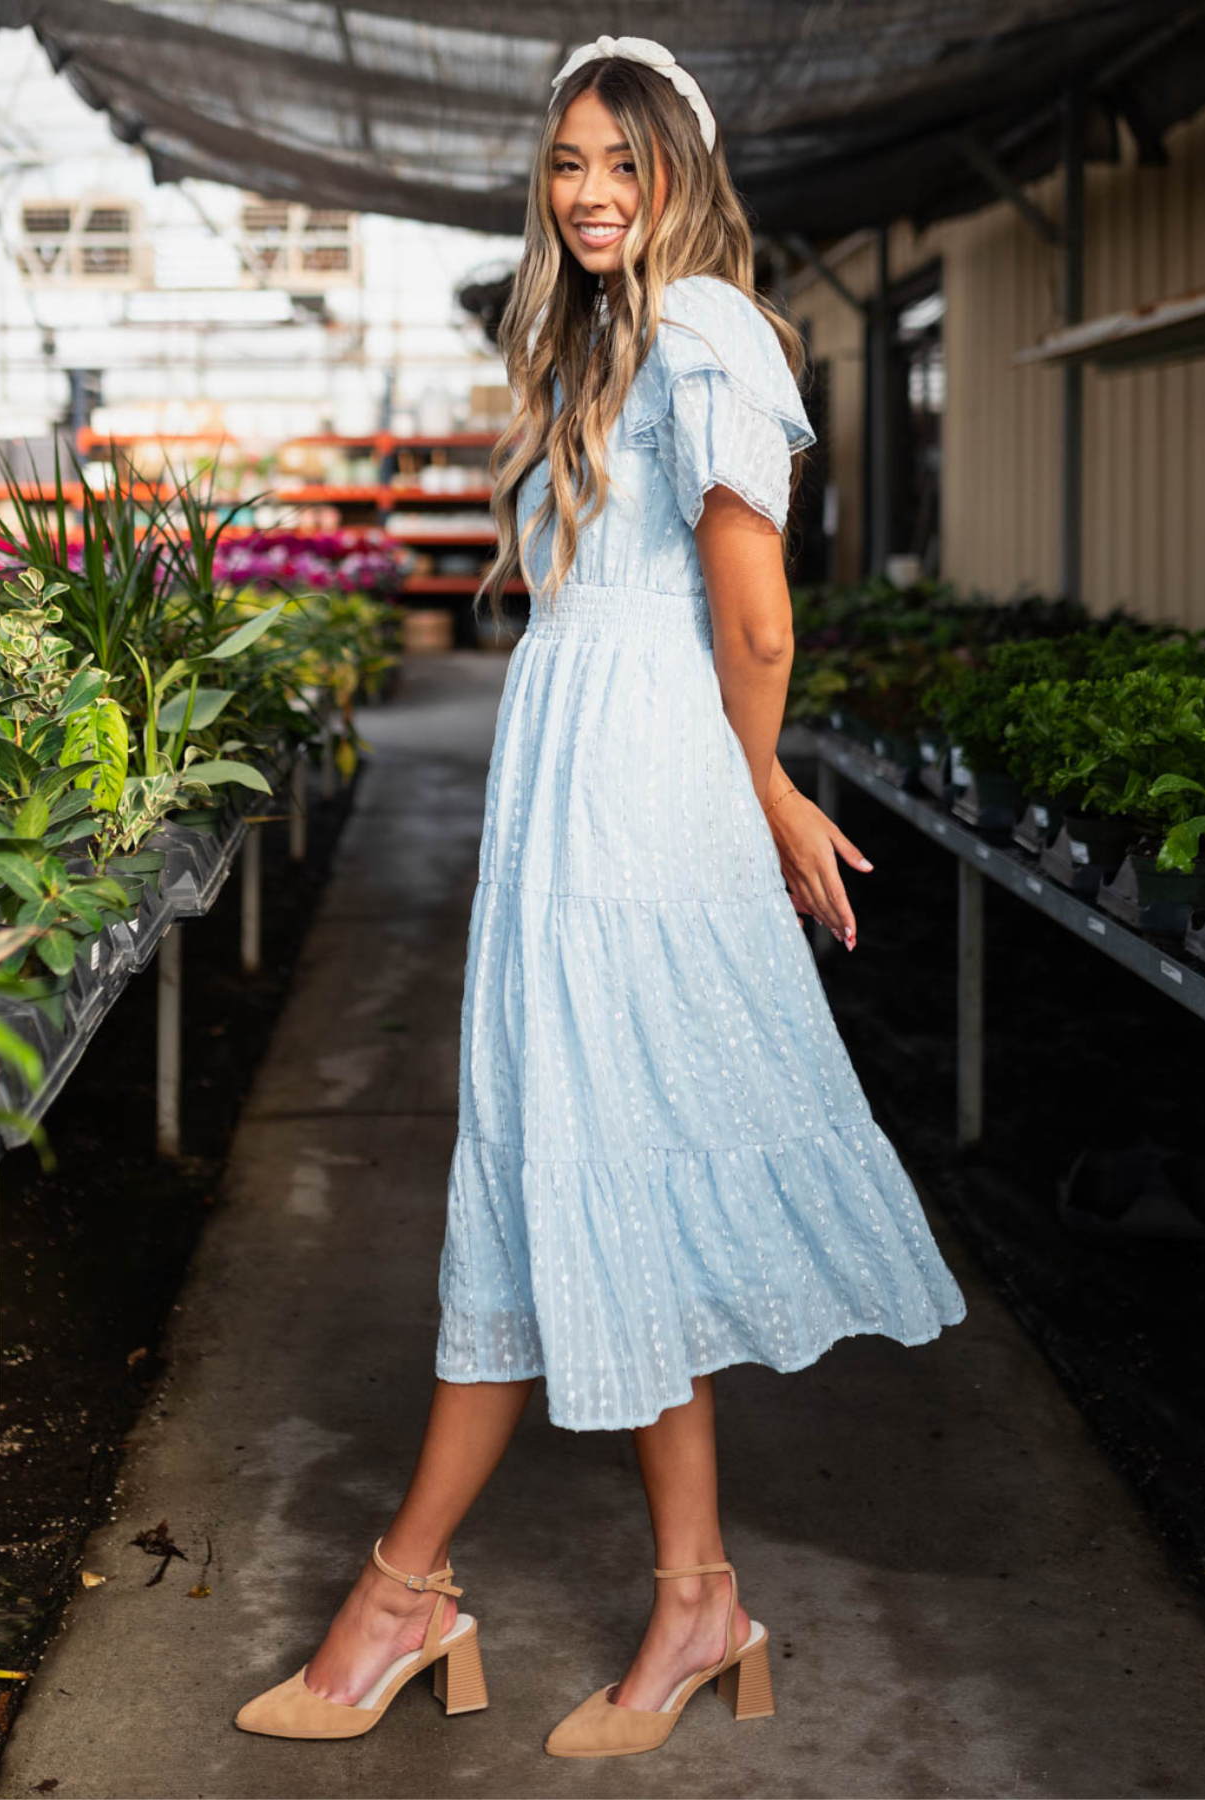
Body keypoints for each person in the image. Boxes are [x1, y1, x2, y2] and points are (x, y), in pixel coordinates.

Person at [234, 33, 967, 1758]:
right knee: (593, 1164)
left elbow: (759, 616)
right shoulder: (601, 338)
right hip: (574, 788)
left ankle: (403, 1593)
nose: (587, 194)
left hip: (641, 798)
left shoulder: (705, 326)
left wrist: (762, 782)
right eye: (567, 162)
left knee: (558, 1160)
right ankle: (695, 1594)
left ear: (679, 176)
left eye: (622, 165)